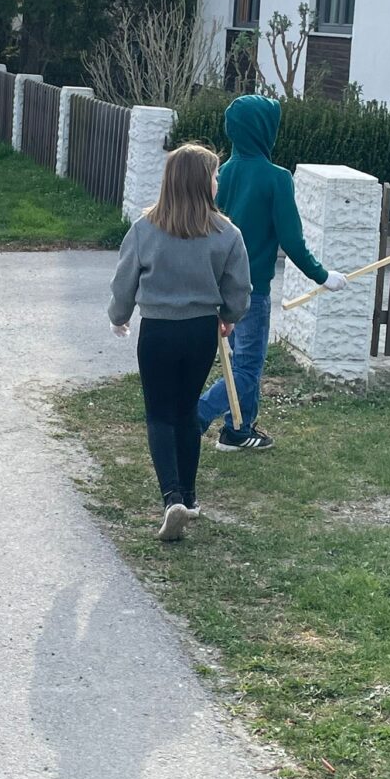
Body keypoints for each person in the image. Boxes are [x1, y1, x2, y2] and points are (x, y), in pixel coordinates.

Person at [108, 143, 251, 542]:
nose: (218, 181)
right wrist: (229, 316)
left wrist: (119, 316)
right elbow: (240, 289)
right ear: (203, 182)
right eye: (215, 175)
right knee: (186, 410)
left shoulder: (144, 229)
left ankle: (171, 496)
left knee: (159, 413)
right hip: (200, 331)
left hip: (158, 331)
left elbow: (124, 281)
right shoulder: (227, 233)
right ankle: (189, 496)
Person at [197, 95, 347, 451]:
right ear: (265, 130)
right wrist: (323, 276)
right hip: (251, 291)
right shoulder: (277, 178)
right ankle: (196, 416)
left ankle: (239, 430)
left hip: (214, 287)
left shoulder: (220, 173)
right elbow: (291, 240)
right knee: (247, 367)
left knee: (239, 363)